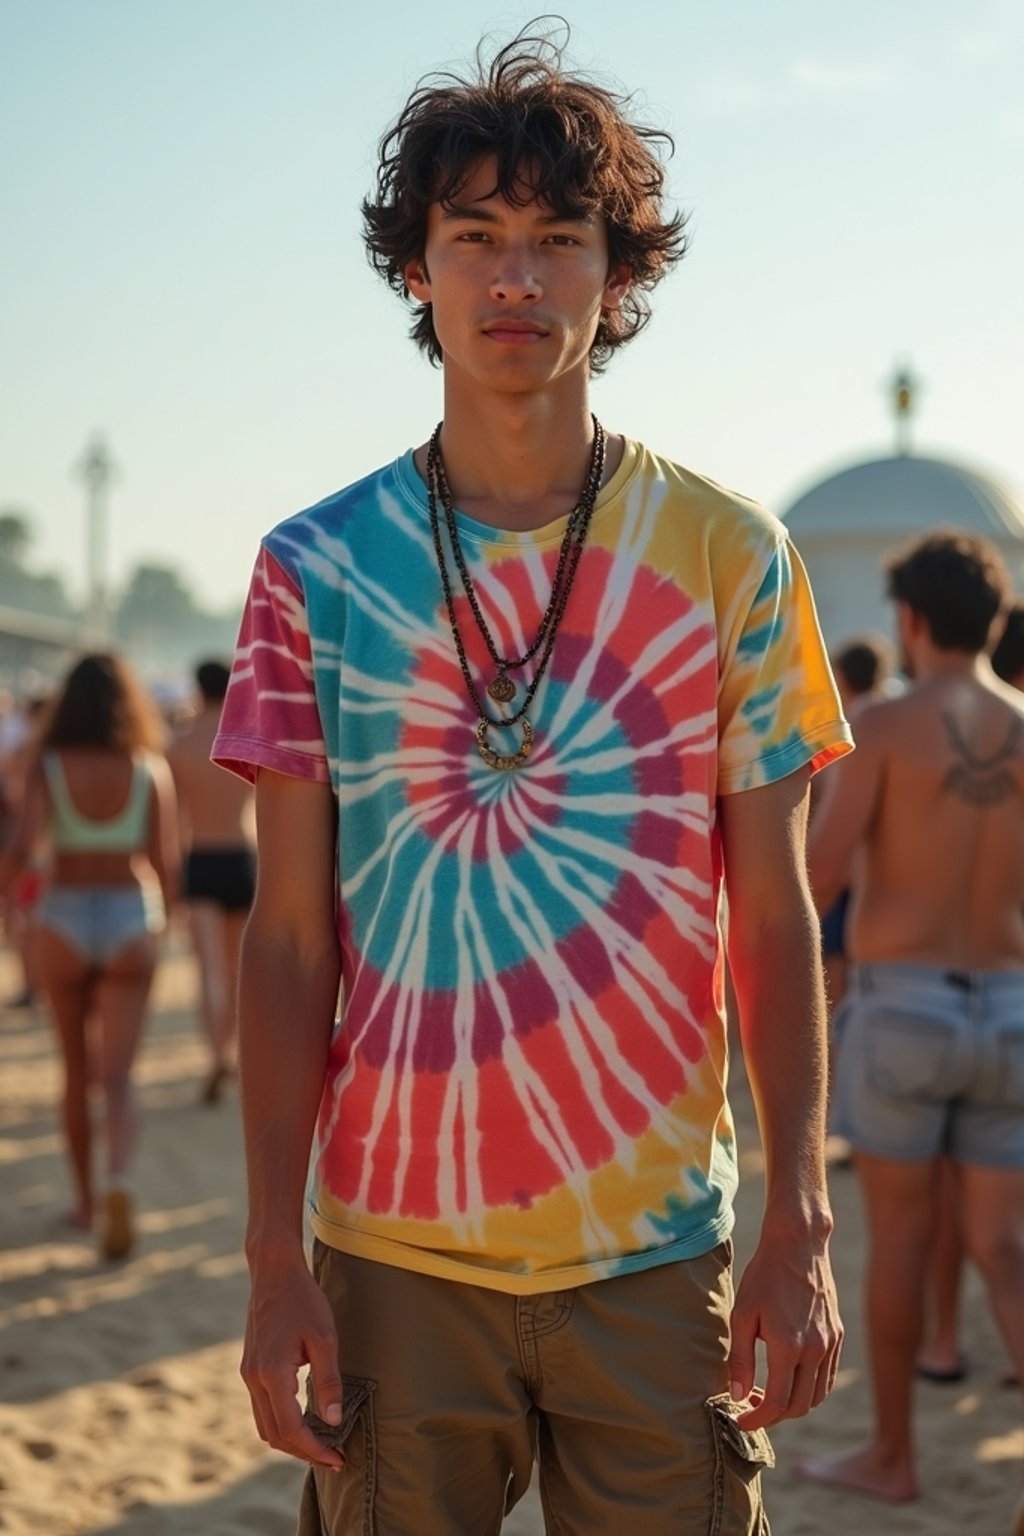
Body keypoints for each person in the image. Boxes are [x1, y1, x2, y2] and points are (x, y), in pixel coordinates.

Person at [213, 25, 851, 1534]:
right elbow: (290, 936)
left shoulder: (730, 552)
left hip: (654, 1252)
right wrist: (268, 1261)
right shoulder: (312, 568)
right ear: (416, 270)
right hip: (388, 1256)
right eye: (475, 238)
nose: (514, 279)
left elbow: (771, 917)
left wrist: (798, 1223)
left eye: (557, 239)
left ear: (616, 276)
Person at [802, 530, 1024, 1520]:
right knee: (1001, 1243)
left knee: (897, 1241)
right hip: (1008, 1005)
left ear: (909, 619)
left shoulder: (885, 726)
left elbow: (819, 874)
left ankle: (891, 1457)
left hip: (905, 1005)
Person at [0, 653, 177, 1259]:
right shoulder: (148, 766)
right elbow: (165, 864)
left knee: (77, 1071)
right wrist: (167, 929)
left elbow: (22, 847)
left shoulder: (50, 766)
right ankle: (120, 1179)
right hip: (131, 915)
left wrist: (7, 904)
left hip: (64, 916)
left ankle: (83, 1202)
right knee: (120, 1075)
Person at [168, 658, 255, 1103]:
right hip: (242, 858)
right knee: (238, 969)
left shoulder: (178, 745)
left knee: (209, 971)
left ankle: (215, 1055)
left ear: (196, 690)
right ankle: (234, 1053)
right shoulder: (242, 739)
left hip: (200, 859)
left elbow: (171, 821)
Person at [818, 635, 894, 1012]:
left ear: (842, 675)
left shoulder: (859, 725)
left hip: (848, 877)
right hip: (885, 884)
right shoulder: (894, 717)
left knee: (839, 995)